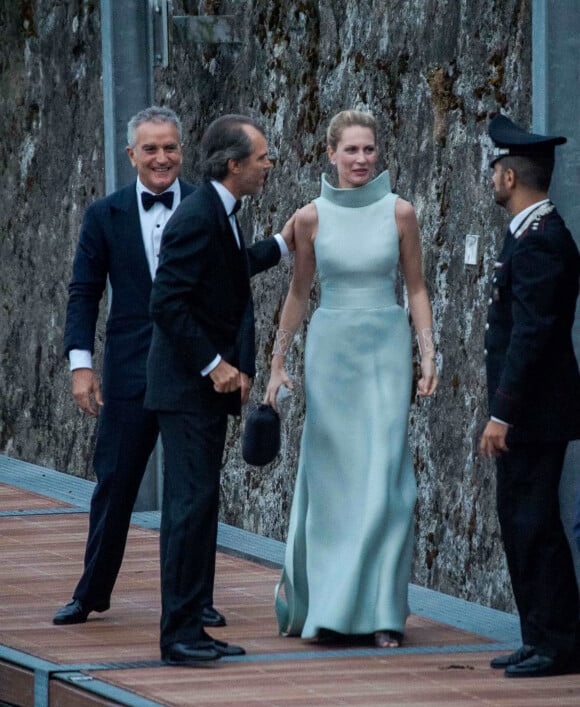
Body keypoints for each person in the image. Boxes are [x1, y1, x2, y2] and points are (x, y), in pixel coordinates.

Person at [51, 106, 231, 626]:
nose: (161, 157)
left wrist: (232, 364)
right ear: (131, 154)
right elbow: (84, 292)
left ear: (183, 149)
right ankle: (90, 592)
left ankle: (195, 599)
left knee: (194, 491)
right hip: (130, 371)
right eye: (150, 148)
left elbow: (230, 292)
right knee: (115, 482)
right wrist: (81, 366)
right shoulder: (103, 216)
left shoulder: (209, 205)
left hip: (195, 372)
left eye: (170, 146)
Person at [265, 110, 437, 648]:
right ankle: (332, 610)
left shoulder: (401, 212)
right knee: (335, 482)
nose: (361, 159)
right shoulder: (310, 217)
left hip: (385, 348)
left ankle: (384, 611)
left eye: (369, 149)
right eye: (351, 150)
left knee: (388, 482)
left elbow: (416, 289)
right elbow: (297, 293)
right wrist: (276, 362)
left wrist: (427, 355)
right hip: (331, 348)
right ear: (331, 153)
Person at [145, 114, 295, 665]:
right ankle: (178, 636)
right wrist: (214, 365)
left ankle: (192, 625)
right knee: (188, 508)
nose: (268, 165)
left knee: (200, 507)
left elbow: (228, 274)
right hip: (186, 390)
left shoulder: (221, 211)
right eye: (262, 157)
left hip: (198, 392)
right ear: (234, 165)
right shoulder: (198, 215)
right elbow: (167, 302)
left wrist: (283, 241)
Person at [480, 114, 580, 678]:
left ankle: (558, 643)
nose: (492, 175)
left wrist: (502, 414)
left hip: (534, 415)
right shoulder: (527, 235)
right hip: (527, 414)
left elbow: (532, 338)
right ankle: (538, 635)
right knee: (520, 521)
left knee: (533, 524)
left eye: (496, 167)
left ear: (510, 176)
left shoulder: (543, 242)